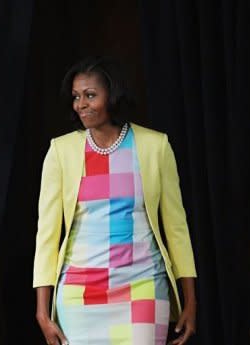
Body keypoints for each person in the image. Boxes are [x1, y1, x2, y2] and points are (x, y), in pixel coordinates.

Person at [33, 56, 197, 345]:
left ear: (113, 94)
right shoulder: (61, 151)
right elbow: (46, 236)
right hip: (78, 295)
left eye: (90, 95)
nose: (81, 104)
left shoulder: (154, 147)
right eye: (76, 97)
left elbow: (177, 230)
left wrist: (190, 302)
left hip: (143, 286)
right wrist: (42, 312)